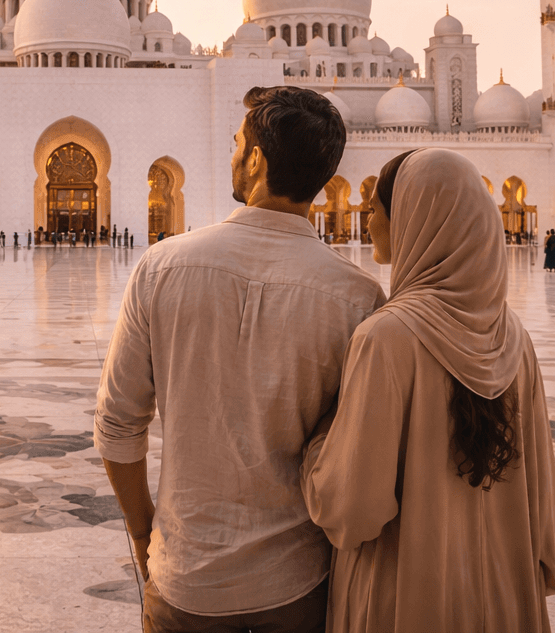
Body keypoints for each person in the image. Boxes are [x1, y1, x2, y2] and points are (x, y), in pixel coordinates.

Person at [96, 86, 382, 632]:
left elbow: (116, 426)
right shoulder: (359, 298)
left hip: (185, 579)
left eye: (236, 143)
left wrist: (142, 532)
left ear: (255, 159)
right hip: (298, 583)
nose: (232, 154)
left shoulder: (162, 268)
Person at [307, 149, 555, 633]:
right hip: (506, 595)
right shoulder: (516, 340)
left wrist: (318, 445)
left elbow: (351, 511)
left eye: (378, 205)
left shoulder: (386, 340)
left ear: (415, 218)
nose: (367, 214)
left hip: (405, 598)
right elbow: (543, 508)